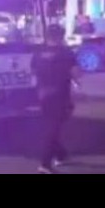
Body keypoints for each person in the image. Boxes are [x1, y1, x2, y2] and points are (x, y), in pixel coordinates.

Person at [35, 24, 80, 174]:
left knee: (51, 126)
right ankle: (45, 164)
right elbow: (75, 73)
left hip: (43, 95)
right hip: (60, 95)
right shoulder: (66, 53)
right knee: (53, 129)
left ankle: (61, 154)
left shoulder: (38, 52)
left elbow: (33, 71)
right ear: (61, 36)